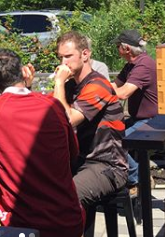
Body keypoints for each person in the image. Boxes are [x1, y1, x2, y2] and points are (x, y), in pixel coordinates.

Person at [0, 49, 84, 237]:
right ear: (22, 72)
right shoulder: (53, 105)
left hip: (22, 230)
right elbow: (73, 153)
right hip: (70, 223)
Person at [53, 31, 128, 211]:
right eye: (61, 57)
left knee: (66, 200)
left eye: (68, 56)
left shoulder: (98, 85)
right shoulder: (71, 86)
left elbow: (66, 119)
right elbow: (47, 114)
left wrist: (58, 82)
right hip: (79, 161)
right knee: (35, 188)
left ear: (85, 54)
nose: (63, 63)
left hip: (108, 166)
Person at [111, 29, 158, 188]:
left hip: (151, 121)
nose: (117, 49)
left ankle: (138, 179)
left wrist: (98, 95)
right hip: (139, 118)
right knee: (107, 135)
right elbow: (114, 85)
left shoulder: (143, 66)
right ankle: (135, 175)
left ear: (126, 49)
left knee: (114, 143)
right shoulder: (131, 65)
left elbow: (123, 93)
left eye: (118, 45)